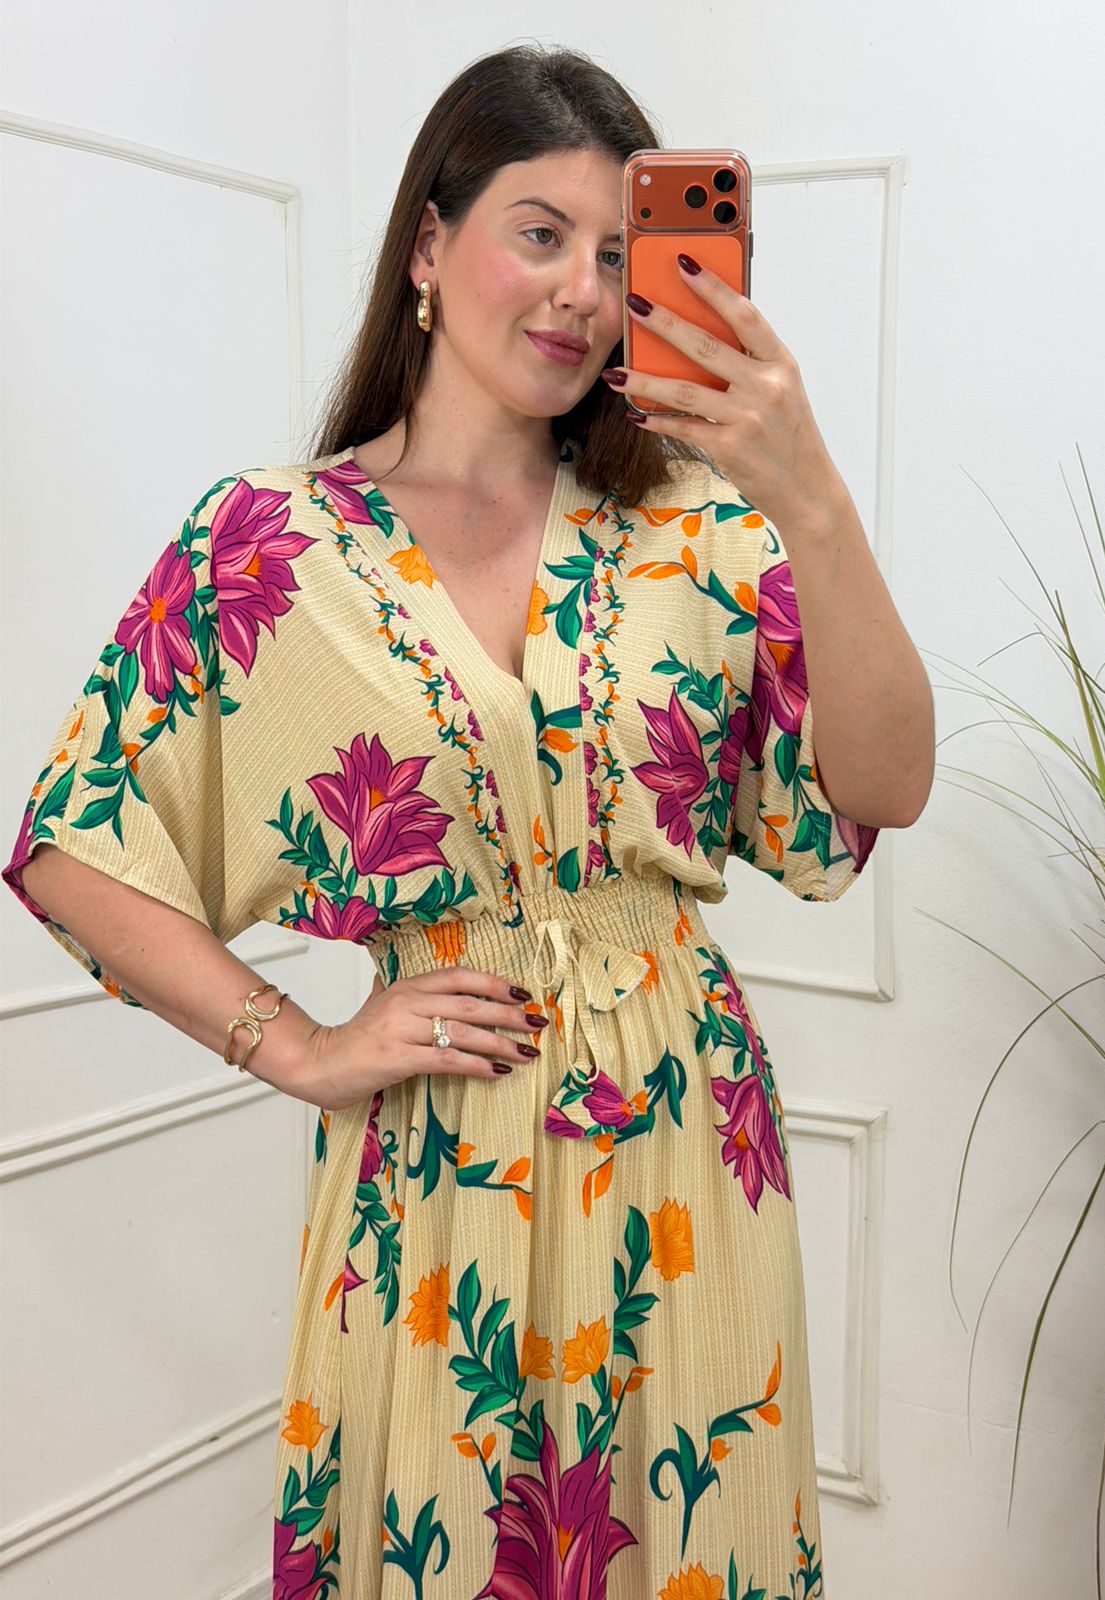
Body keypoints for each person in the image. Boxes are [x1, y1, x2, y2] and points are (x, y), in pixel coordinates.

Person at [3, 44, 902, 1600]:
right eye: (541, 233)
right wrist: (295, 1044)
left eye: (619, 254)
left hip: (684, 1145)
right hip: (438, 1150)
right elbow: (75, 844)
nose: (582, 292)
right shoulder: (272, 542)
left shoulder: (697, 527)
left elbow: (882, 790)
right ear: (429, 243)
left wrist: (810, 495)